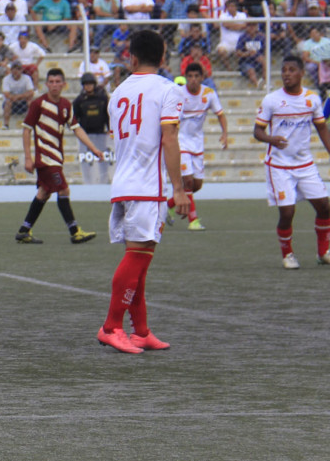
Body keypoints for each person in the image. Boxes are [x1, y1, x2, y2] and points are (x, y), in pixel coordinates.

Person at [99, 29, 186, 354]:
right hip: (148, 186)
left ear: (131, 58)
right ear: (163, 57)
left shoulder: (118, 92)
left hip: (123, 183)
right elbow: (169, 139)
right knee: (137, 257)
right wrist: (179, 189)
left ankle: (141, 331)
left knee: (139, 262)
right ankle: (111, 327)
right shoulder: (167, 89)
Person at [254, 55, 330, 270]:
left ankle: (323, 253)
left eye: (292, 70)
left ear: (302, 73)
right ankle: (288, 255)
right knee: (287, 212)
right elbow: (257, 131)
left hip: (305, 164)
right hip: (279, 166)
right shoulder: (272, 100)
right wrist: (271, 139)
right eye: (284, 70)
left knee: (324, 206)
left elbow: (321, 127)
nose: (286, 74)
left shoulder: (312, 99)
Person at [14, 68, 104, 246]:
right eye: (51, 82)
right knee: (63, 190)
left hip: (56, 158)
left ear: (64, 84)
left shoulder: (66, 105)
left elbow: (76, 128)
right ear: (46, 84)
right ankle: (75, 231)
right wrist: (28, 158)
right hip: (45, 159)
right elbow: (26, 130)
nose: (54, 85)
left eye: (57, 82)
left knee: (44, 193)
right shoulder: (38, 104)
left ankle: (24, 230)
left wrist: (94, 148)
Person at [173, 62, 228, 231]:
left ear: (202, 78)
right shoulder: (179, 94)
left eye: (196, 76)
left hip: (197, 142)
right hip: (181, 140)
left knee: (197, 185)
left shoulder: (209, 94)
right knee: (188, 181)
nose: (193, 80)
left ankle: (170, 204)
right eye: (190, 76)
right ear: (186, 77)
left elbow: (220, 114)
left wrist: (225, 134)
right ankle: (193, 220)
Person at [72, 73, 110, 185]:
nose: (88, 86)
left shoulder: (102, 98)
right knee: (85, 160)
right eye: (86, 84)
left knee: (102, 158)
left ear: (94, 84)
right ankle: (87, 181)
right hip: (85, 136)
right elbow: (75, 118)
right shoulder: (79, 101)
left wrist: (109, 129)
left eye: (90, 84)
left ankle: (104, 180)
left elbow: (107, 115)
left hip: (100, 134)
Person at [1, 61, 35, 130]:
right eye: (14, 69)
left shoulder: (27, 78)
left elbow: (31, 92)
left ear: (22, 70)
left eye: (18, 69)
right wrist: (23, 95)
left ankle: (31, 123)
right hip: (12, 103)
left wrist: (17, 97)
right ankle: (6, 124)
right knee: (8, 102)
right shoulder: (6, 79)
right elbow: (7, 94)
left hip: (23, 102)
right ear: (11, 70)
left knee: (30, 102)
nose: (16, 71)